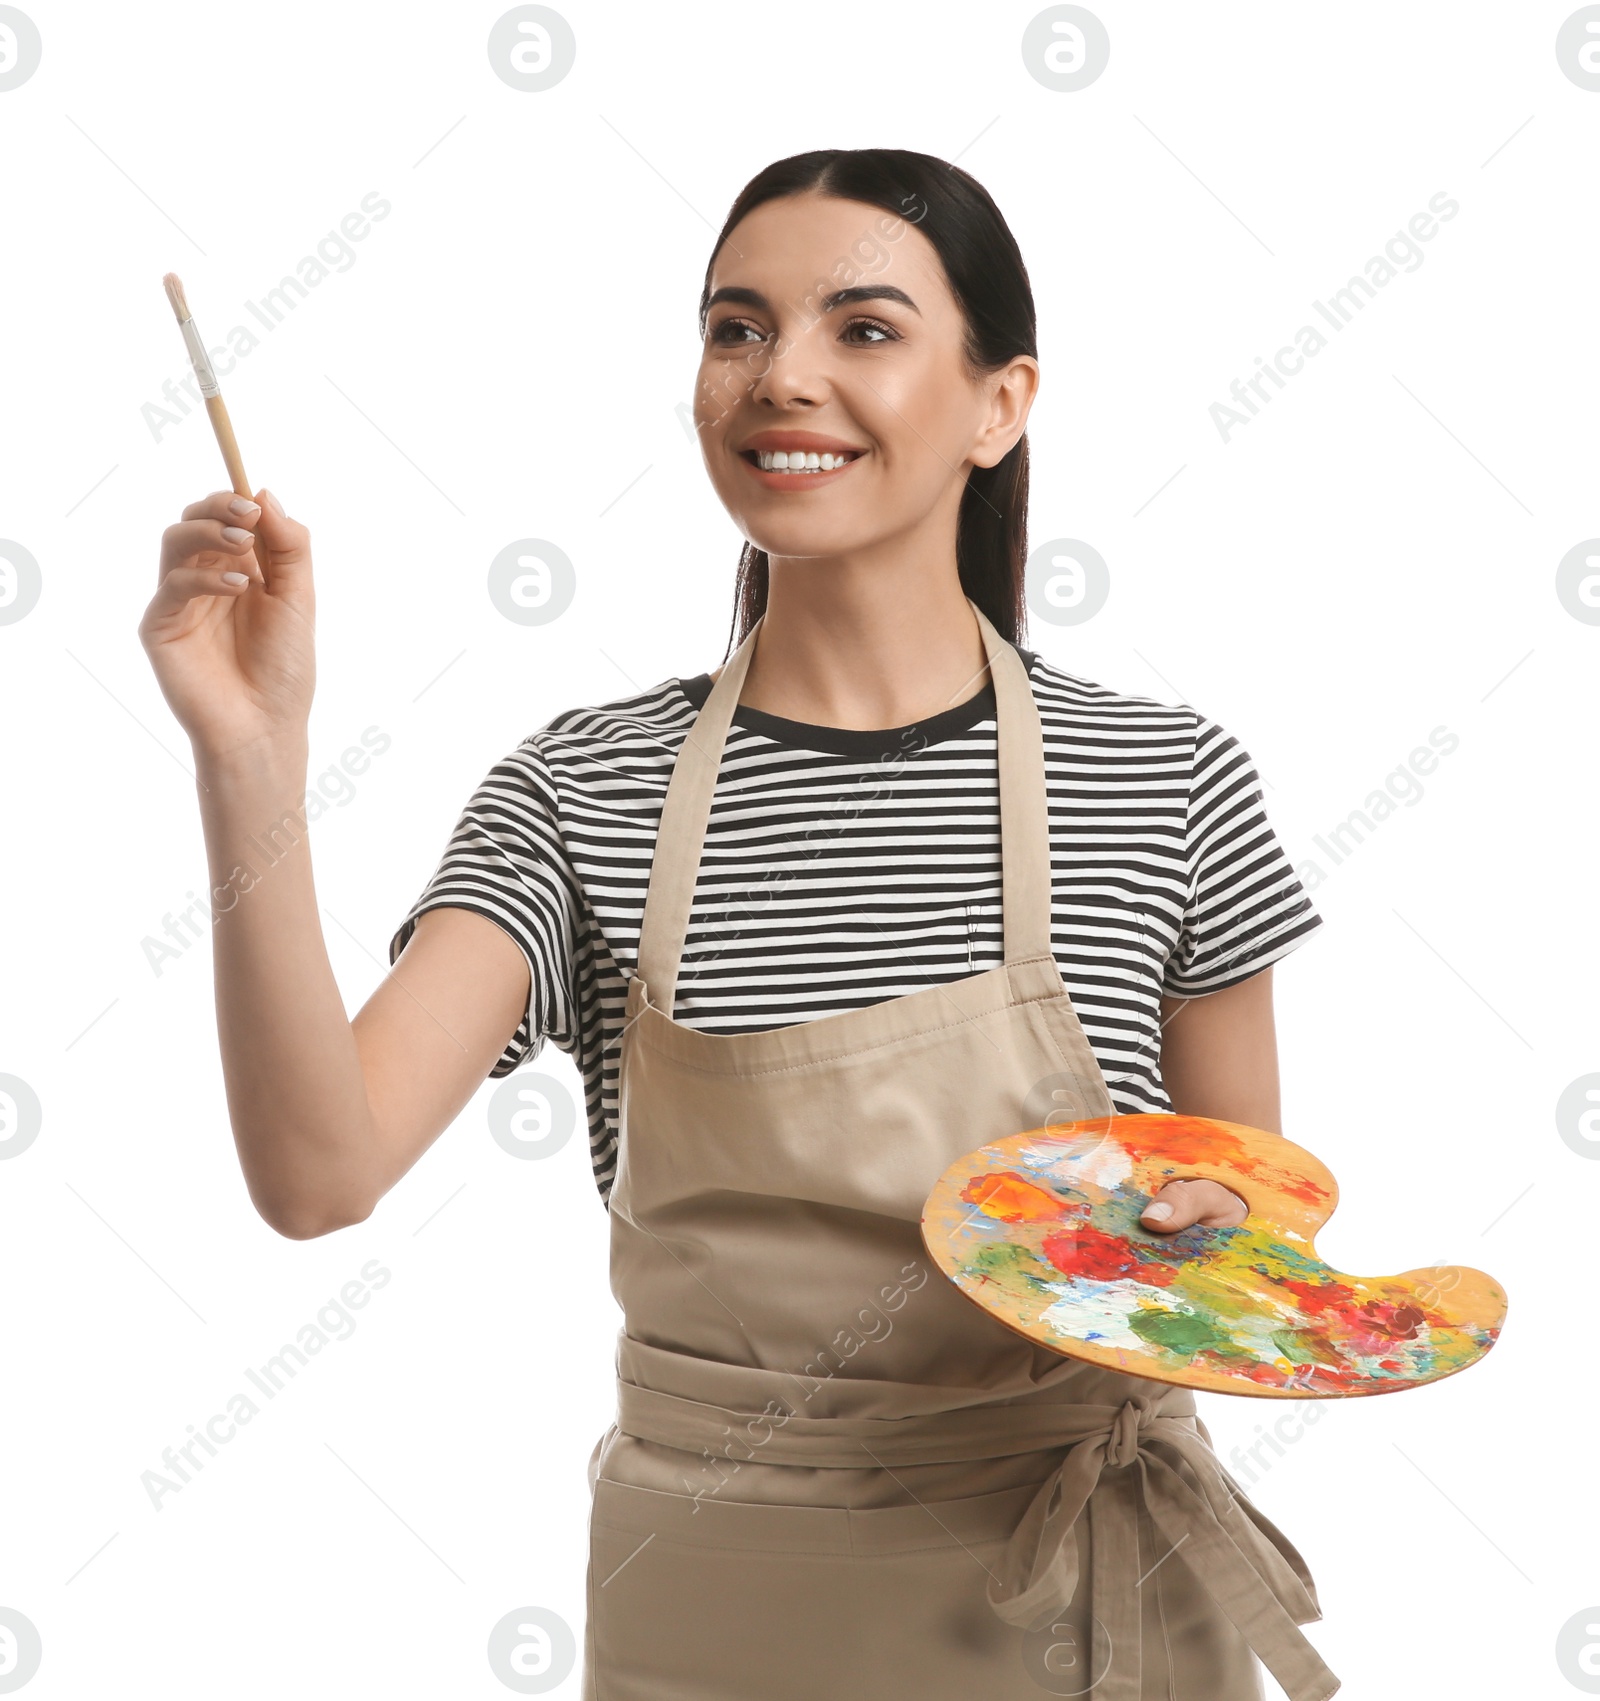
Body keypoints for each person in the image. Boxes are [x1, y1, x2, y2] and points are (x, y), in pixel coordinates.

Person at [138, 148, 1338, 1701]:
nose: (784, 378)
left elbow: (1257, 1228)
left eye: (865, 329)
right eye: (737, 329)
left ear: (1000, 402)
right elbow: (319, 1169)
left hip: (1085, 1617)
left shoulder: (1161, 779)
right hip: (716, 1624)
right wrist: (251, 756)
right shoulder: (584, 789)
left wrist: (1216, 1241)